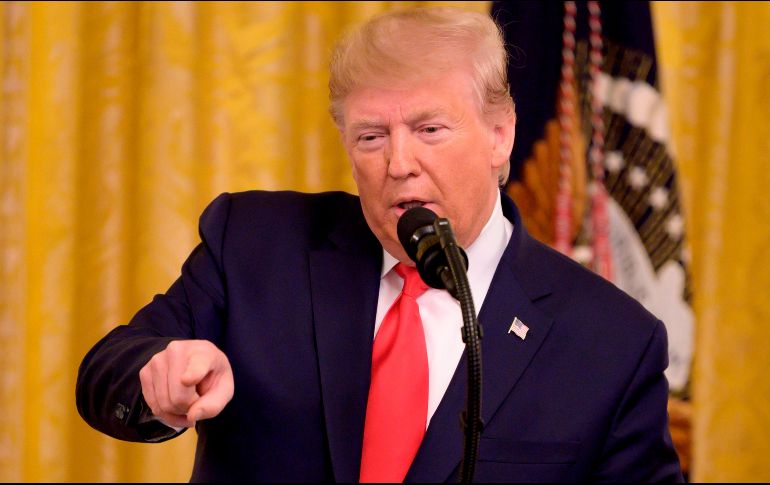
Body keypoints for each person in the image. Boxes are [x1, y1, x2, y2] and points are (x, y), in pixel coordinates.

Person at [76, 7, 683, 482]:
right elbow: (107, 371)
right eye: (371, 136)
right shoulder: (256, 246)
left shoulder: (611, 342)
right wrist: (158, 378)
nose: (399, 163)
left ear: (501, 135)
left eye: (429, 129)